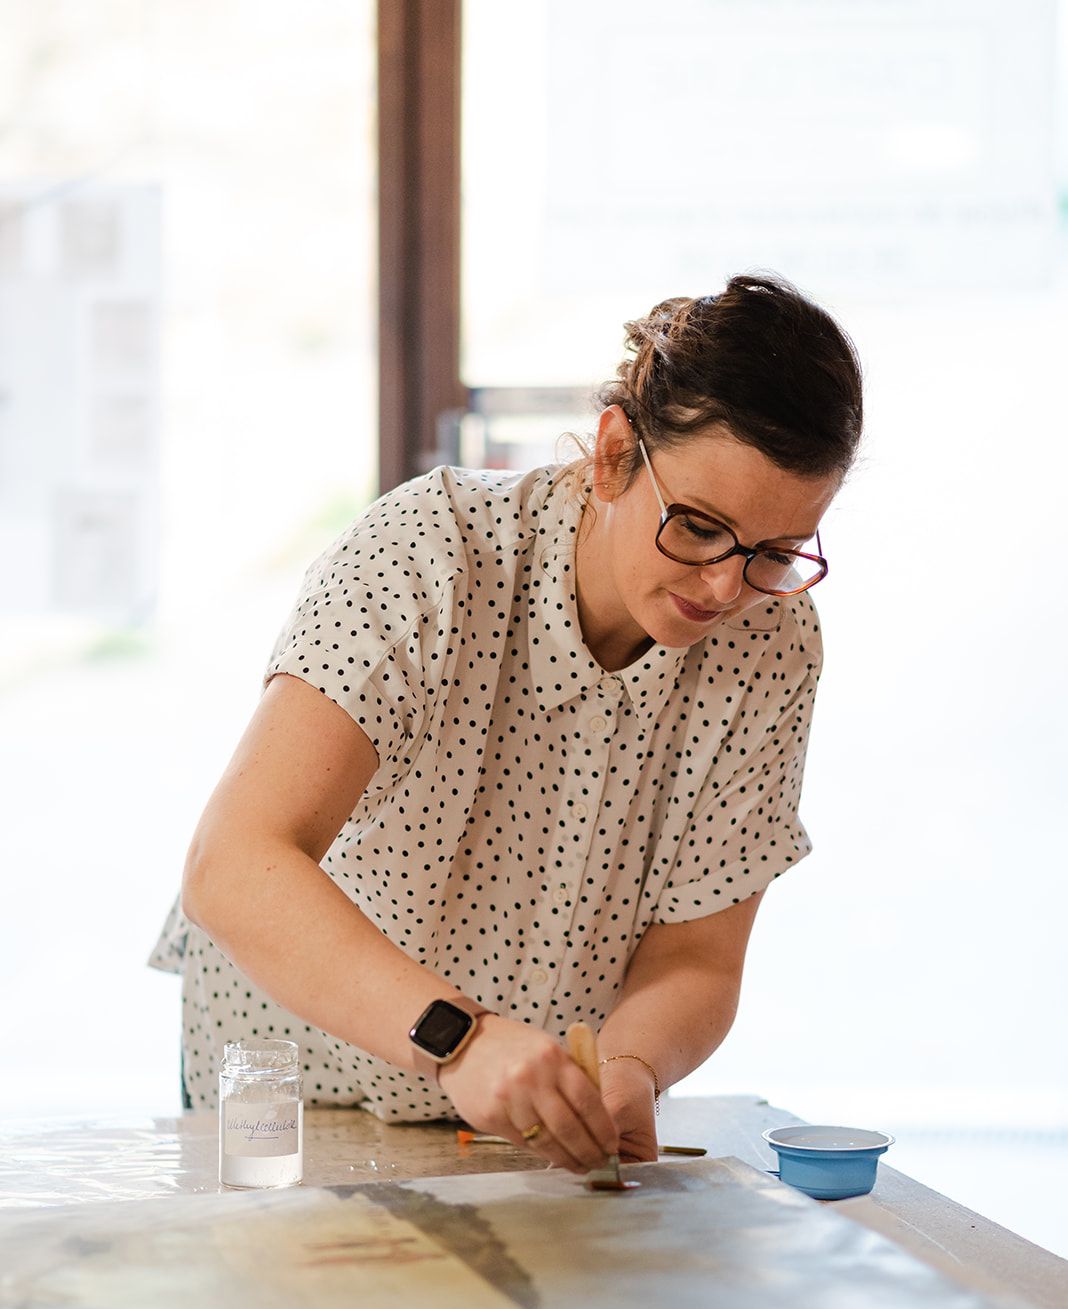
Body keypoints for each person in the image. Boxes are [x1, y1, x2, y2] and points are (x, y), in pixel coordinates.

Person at [150, 273, 862, 1174]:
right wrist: (461, 1038)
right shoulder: (430, 553)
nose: (727, 586)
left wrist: (631, 1067)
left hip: (522, 1120)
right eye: (698, 526)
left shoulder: (773, 639)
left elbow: (699, 954)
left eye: (776, 551)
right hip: (296, 1091)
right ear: (612, 456)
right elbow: (235, 863)